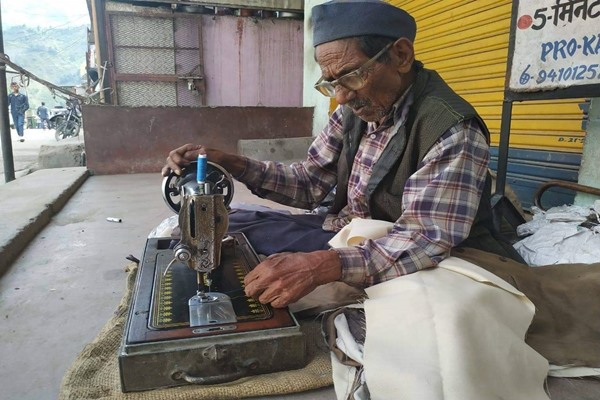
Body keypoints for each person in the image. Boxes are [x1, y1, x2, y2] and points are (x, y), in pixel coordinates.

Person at [163, 1, 599, 398]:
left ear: (401, 56)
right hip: (353, 233)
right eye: (329, 81)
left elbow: (426, 239)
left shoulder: (450, 128)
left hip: (448, 254)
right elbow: (308, 183)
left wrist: (324, 264)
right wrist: (232, 164)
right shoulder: (354, 108)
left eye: (351, 75)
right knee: (235, 232)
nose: (340, 95)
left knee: (430, 333)